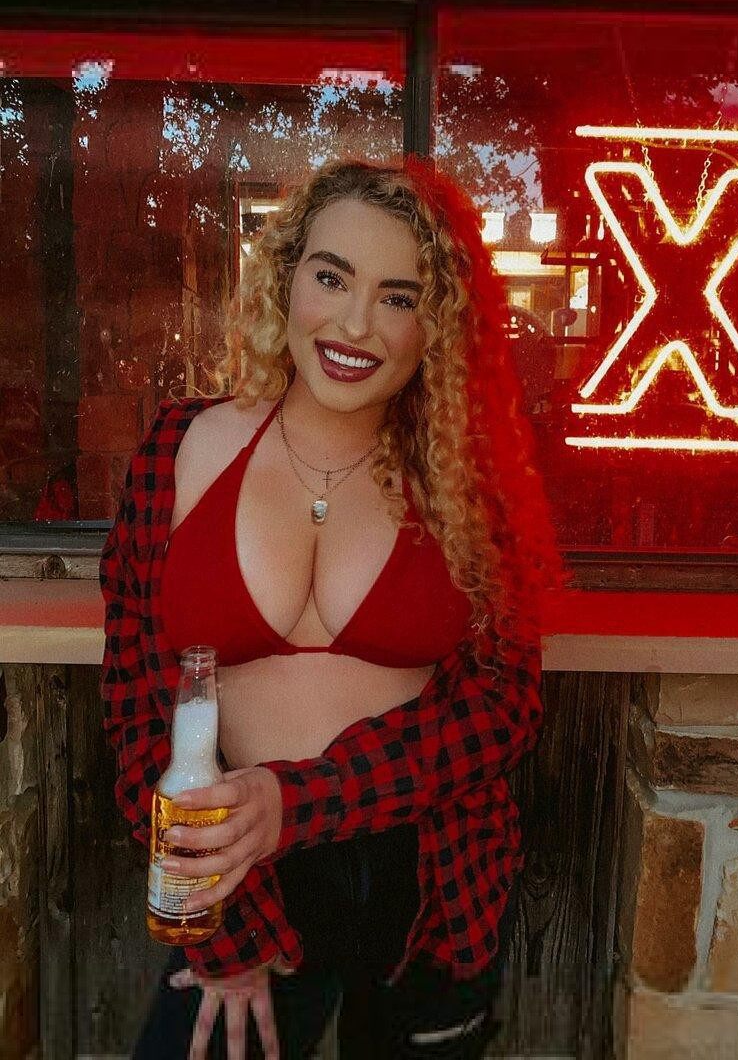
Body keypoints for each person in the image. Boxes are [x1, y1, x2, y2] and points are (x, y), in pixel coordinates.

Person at [99, 154, 565, 1059]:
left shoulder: (471, 483)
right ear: (286, 279)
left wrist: (298, 800)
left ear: (439, 323)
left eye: (399, 296)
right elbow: (133, 698)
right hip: (245, 876)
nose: (355, 324)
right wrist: (219, 925)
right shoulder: (181, 446)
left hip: (433, 883)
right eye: (331, 277)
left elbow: (503, 708)